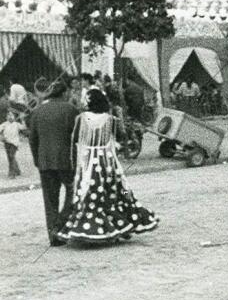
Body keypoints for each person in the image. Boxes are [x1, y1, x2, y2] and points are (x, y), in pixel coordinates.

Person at [56, 88, 158, 244]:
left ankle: (92, 228)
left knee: (89, 192)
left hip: (89, 160)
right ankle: (117, 225)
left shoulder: (81, 119)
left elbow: (75, 139)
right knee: (113, 192)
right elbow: (118, 137)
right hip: (107, 161)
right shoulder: (110, 120)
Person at [28, 80, 78, 246]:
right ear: (64, 93)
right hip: (66, 160)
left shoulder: (37, 111)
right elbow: (77, 136)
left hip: (45, 161)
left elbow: (32, 139)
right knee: (73, 193)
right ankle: (60, 225)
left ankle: (53, 236)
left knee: (50, 200)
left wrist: (37, 159)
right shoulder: (70, 109)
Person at [0, 109, 21, 178]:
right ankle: (17, 170)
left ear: (14, 117)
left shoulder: (17, 124)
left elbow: (24, 128)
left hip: (14, 143)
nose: (10, 117)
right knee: (10, 157)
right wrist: (1, 137)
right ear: (6, 117)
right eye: (8, 115)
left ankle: (12, 173)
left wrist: (23, 119)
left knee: (11, 156)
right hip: (7, 142)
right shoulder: (4, 124)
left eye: (12, 115)